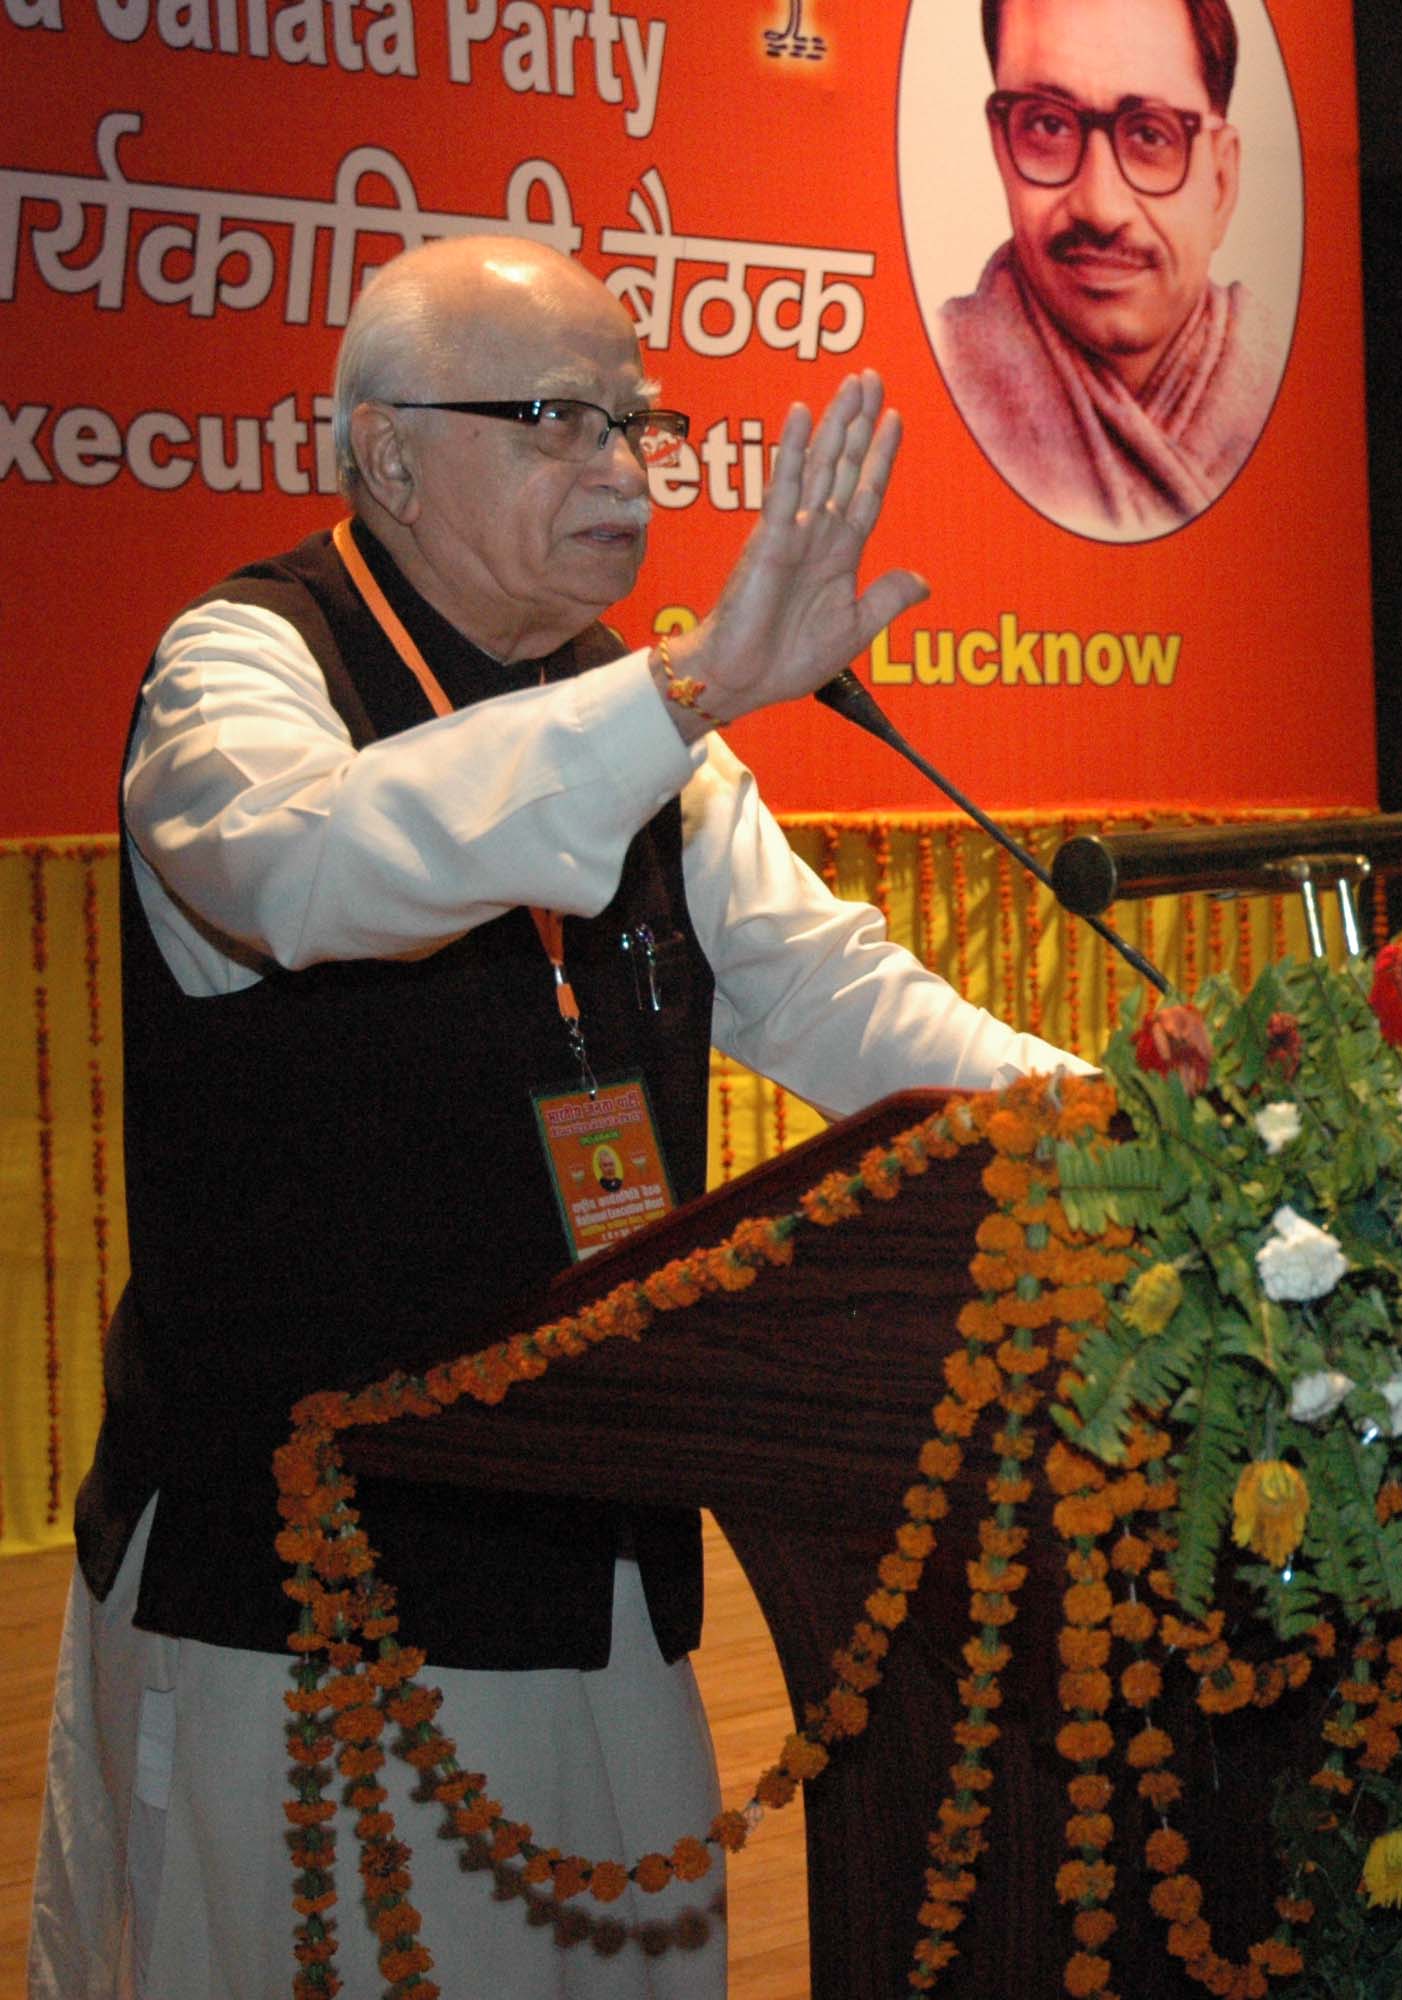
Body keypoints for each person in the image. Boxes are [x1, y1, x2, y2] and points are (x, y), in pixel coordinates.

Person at [31, 235, 1087, 1999]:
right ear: (381, 455)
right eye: (555, 419)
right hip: (293, 1600)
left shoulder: (640, 710)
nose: (622, 467)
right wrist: (679, 693)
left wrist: (1112, 1120)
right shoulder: (240, 667)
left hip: (587, 1557)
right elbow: (304, 867)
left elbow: (834, 994)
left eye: (639, 421)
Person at [934, 0, 1283, 540]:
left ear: (1221, 182)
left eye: (1149, 135)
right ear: (1001, 149)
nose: (1100, 207)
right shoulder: (930, 380)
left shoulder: (1295, 410)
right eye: (1048, 126)